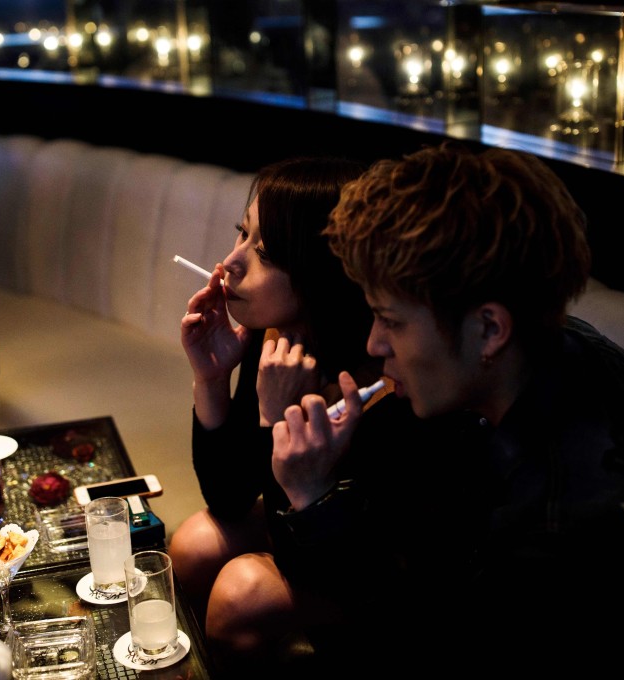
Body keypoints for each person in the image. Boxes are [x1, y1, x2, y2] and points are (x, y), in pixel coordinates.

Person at [271, 142, 624, 666]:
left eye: (393, 320)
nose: (376, 343)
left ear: (489, 328)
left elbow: (407, 645)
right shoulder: (542, 362)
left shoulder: (560, 532)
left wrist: (313, 500)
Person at [168, 156, 438, 676]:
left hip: (376, 575)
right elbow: (226, 496)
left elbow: (329, 564)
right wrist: (210, 378)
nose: (229, 263)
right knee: (196, 542)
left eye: (264, 251)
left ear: (323, 272)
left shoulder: (391, 380)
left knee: (241, 591)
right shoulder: (277, 335)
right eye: (241, 233)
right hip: (307, 535)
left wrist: (274, 422)